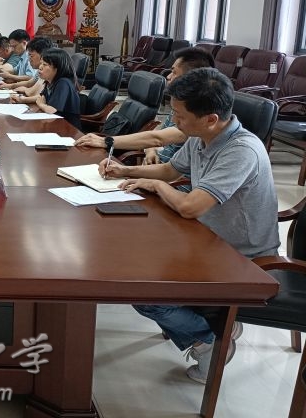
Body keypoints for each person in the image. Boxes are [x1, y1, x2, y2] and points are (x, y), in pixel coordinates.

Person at [100, 68, 280, 384]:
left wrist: (155, 186)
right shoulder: (202, 136)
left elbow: (189, 206)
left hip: (241, 256)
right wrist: (124, 172)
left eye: (180, 116)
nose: (174, 121)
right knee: (129, 256)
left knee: (142, 289)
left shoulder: (241, 151)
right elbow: (171, 170)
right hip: (205, 235)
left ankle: (209, 341)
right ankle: (210, 323)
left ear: (211, 118)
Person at [75, 47, 215, 167]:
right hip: (155, 172)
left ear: (190, 78)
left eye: (174, 72)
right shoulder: (180, 105)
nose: (168, 76)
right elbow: (157, 138)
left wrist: (106, 141)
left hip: (168, 181)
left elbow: (158, 138)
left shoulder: (199, 116)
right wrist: (151, 150)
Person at [34, 47, 80, 128]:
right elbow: (41, 98)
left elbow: (52, 110)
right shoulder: (50, 82)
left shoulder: (63, 83)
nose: (40, 67)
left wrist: (41, 105)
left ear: (57, 68)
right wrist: (22, 100)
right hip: (54, 124)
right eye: (41, 63)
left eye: (44, 64)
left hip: (68, 129)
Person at [4, 37, 53, 102]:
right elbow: (30, 83)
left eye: (31, 56)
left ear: (43, 55)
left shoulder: (48, 72)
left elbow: (36, 93)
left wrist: (25, 93)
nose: (29, 59)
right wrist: (10, 86)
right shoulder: (40, 70)